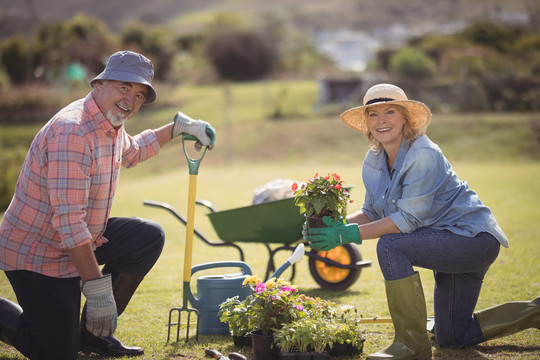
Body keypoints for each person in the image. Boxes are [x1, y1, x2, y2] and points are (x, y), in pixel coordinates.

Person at [0, 50, 216, 359]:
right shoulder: (72, 131)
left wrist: (179, 128)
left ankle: (93, 336)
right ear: (99, 83)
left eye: (140, 95)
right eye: (125, 87)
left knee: (147, 237)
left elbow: (133, 151)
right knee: (57, 353)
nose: (131, 100)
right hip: (38, 252)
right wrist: (97, 290)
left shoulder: (110, 124)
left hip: (76, 240)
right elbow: (69, 223)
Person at [304, 83, 539, 359]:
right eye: (373, 114)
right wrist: (336, 226)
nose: (381, 120)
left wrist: (345, 236)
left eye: (390, 112)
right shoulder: (374, 159)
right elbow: (373, 211)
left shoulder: (423, 154)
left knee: (391, 245)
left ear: (405, 117)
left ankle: (411, 345)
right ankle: (535, 311)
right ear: (367, 123)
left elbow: (406, 220)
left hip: (475, 241)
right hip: (447, 244)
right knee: (452, 337)